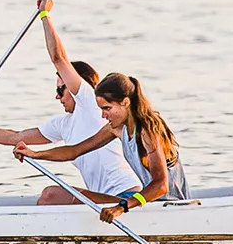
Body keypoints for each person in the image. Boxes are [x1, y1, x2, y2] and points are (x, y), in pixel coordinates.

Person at [0, 0, 138, 205]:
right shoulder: (63, 125)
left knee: (50, 195)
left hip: (128, 197)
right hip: (106, 200)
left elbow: (58, 58)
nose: (57, 96)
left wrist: (45, 15)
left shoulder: (90, 103)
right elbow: (15, 137)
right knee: (50, 196)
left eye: (60, 88)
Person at [27, 71, 182, 224]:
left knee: (52, 195)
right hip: (145, 204)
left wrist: (121, 207)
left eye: (107, 108)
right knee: (55, 194)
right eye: (101, 109)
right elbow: (74, 151)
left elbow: (161, 185)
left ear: (125, 102)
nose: (103, 116)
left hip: (168, 207)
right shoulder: (117, 129)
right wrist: (34, 154)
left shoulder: (148, 132)